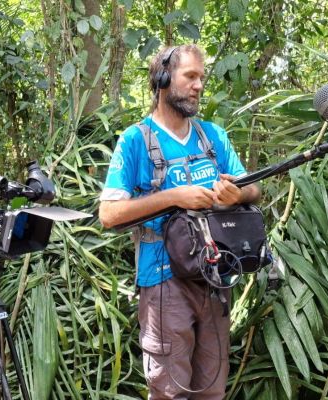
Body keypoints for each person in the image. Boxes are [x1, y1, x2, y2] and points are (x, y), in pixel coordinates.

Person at [98, 44, 261, 399]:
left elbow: (253, 189)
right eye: (190, 76)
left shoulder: (212, 136)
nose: (199, 85)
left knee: (212, 390)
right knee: (169, 391)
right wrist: (174, 196)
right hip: (163, 282)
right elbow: (108, 215)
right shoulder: (135, 141)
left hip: (216, 277)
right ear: (162, 79)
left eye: (202, 78)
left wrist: (239, 194)